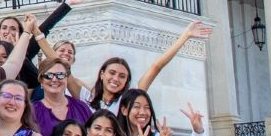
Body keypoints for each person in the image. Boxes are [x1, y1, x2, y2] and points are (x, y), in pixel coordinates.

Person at [85, 20, 213, 111]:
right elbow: (67, 73)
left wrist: (185, 36)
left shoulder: (128, 98)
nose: (116, 79)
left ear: (127, 81)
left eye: (122, 76)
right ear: (102, 74)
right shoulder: (86, 97)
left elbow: (157, 66)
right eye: (112, 73)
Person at [34, 57, 93, 136]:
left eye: (60, 75)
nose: (54, 79)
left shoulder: (81, 107)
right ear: (41, 81)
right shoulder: (32, 111)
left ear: (66, 80)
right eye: (49, 75)